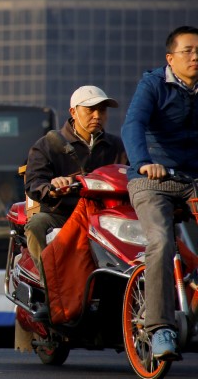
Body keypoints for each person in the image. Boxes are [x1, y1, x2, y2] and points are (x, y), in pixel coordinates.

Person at [122, 25, 198, 361]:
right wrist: (142, 162)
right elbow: (132, 124)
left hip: (193, 180)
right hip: (154, 179)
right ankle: (159, 328)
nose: (196, 57)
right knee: (161, 242)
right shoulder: (153, 83)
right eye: (188, 51)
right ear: (171, 58)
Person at [24, 85, 127, 271]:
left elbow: (130, 175)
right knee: (36, 224)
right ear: (73, 111)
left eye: (102, 110)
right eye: (90, 109)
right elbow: (34, 183)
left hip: (107, 216)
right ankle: (49, 284)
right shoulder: (48, 144)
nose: (97, 115)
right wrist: (52, 188)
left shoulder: (117, 145)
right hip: (63, 214)